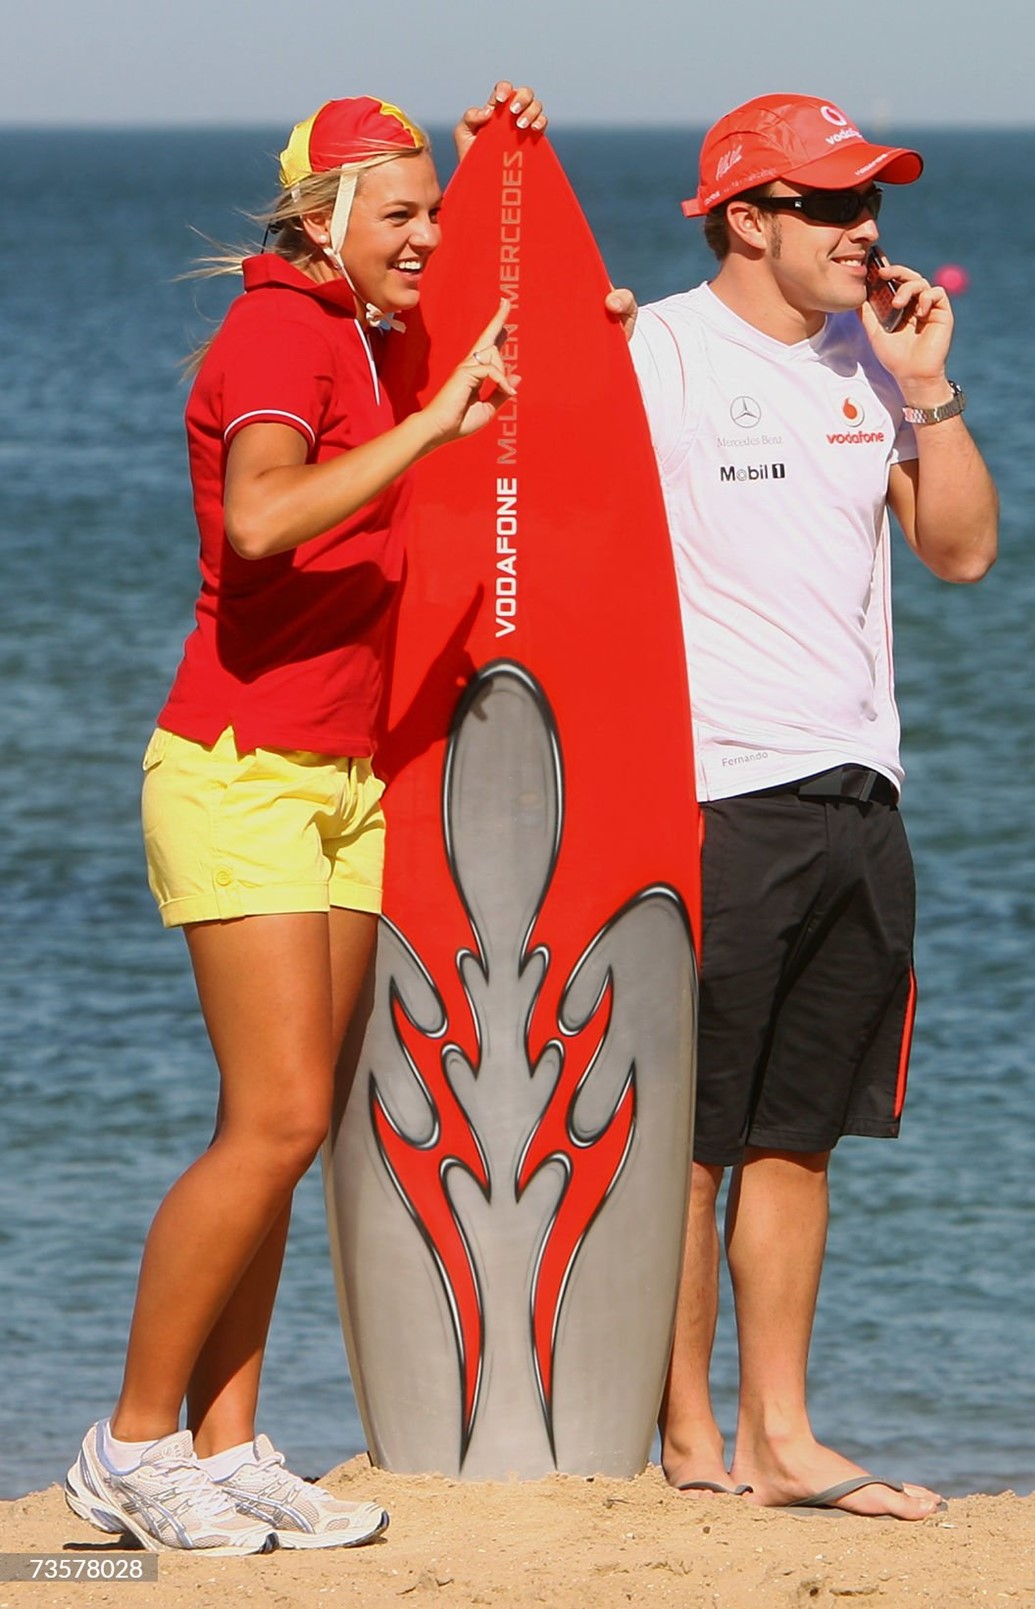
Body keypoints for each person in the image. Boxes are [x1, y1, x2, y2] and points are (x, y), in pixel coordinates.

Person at [65, 82, 556, 1554]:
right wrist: (429, 436)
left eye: (430, 217)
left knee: (286, 1125)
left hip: (339, 779)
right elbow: (264, 518)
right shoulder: (285, 330)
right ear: (322, 218)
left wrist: (493, 163)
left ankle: (229, 1445)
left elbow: (480, 297)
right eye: (398, 216)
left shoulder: (369, 332)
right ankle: (128, 1442)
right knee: (274, 1117)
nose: (424, 241)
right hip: (242, 765)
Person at [626, 93, 998, 1520]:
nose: (868, 230)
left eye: (872, 203)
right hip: (716, 796)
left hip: (861, 794)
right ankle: (686, 1432)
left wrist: (927, 387)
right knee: (697, 1136)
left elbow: (960, 552)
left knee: (801, 1132)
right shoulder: (655, 349)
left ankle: (783, 1431)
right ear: (747, 218)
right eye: (835, 206)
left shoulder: (872, 359)